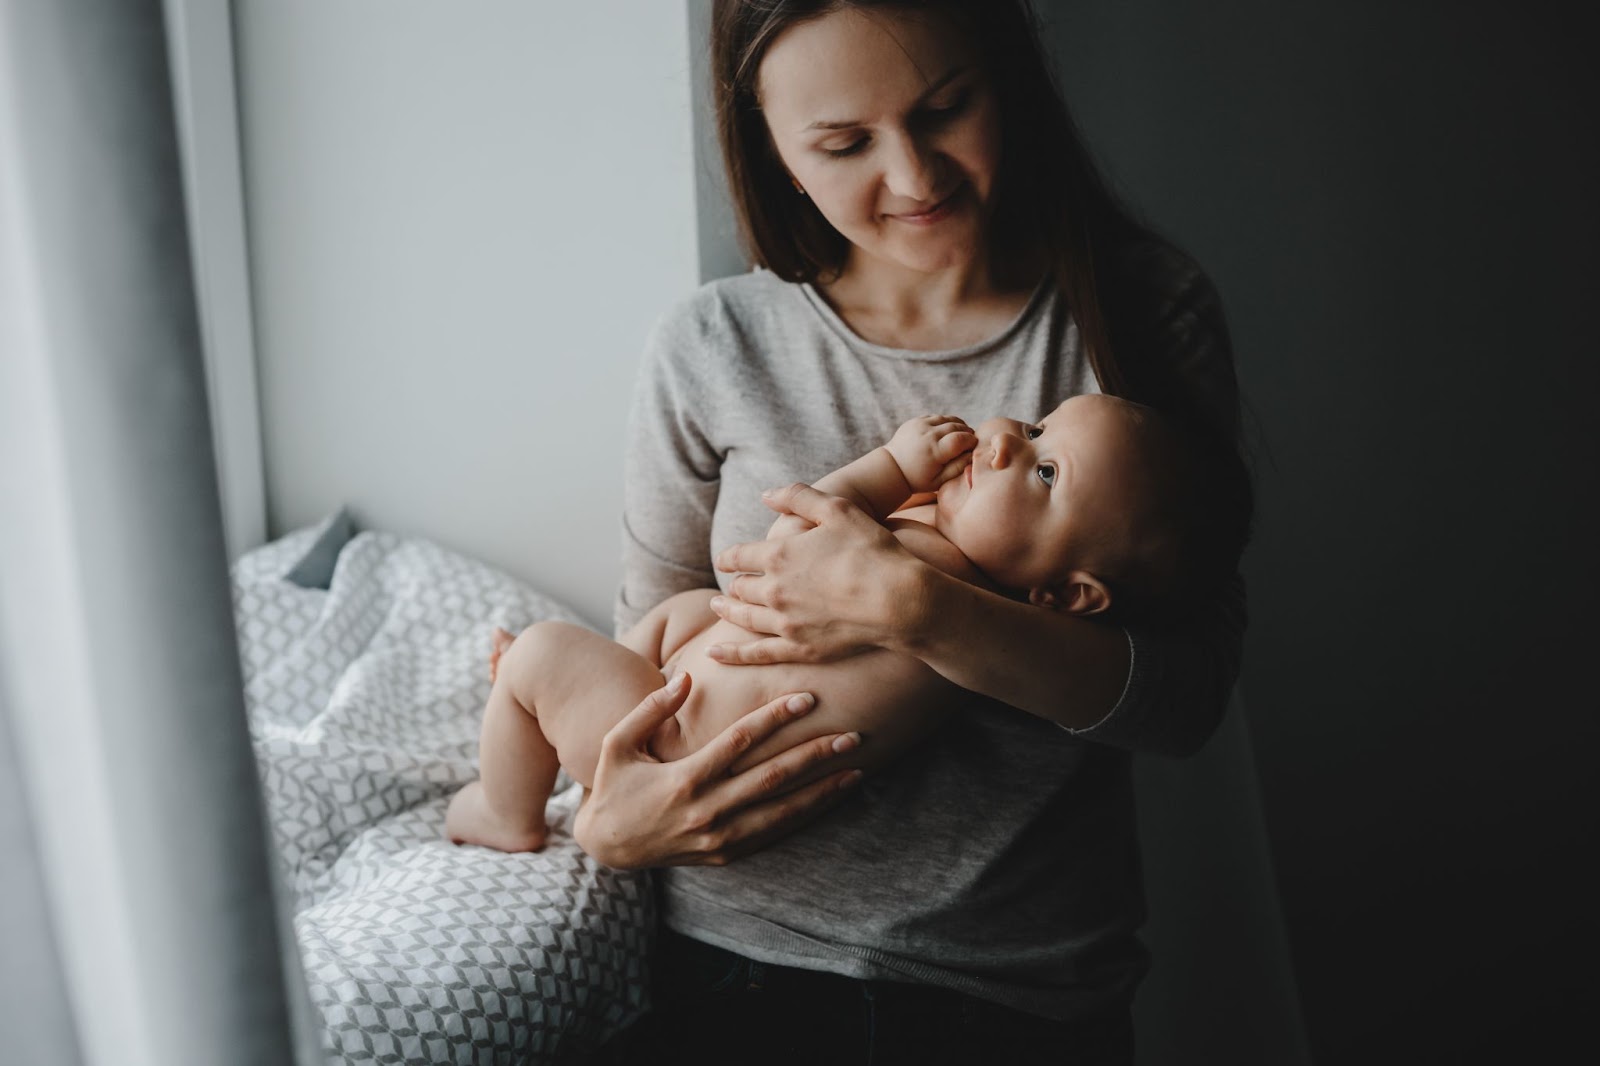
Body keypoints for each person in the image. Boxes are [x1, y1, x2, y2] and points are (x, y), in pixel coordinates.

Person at [574, 2, 1253, 1062]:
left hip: (1021, 993)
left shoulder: (1136, 319)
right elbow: (646, 644)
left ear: (1006, 78)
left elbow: (1184, 701)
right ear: (777, 154)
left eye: (946, 109)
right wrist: (608, 827)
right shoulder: (712, 346)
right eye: (843, 144)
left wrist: (914, 602)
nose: (913, 177)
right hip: (734, 961)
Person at [445, 397, 1241, 854]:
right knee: (679, 614)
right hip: (668, 745)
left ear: (1069, 597)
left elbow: (783, 547)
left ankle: (503, 811)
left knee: (544, 651)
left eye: (1043, 470)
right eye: (1036, 427)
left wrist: (892, 471)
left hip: (676, 748)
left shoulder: (937, 572)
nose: (1002, 438)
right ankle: (557, 716)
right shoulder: (971, 602)